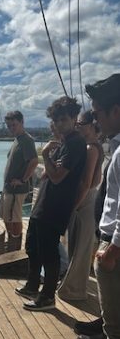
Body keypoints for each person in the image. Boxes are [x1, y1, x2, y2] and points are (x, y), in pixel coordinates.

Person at [68, 73, 120, 339]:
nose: (96, 120)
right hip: (113, 243)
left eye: (98, 112)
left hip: (115, 249)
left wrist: (113, 248)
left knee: (115, 327)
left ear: (116, 110)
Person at [16, 96, 86, 311]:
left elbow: (56, 177)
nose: (59, 124)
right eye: (56, 120)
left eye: (64, 119)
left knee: (49, 252)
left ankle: (47, 297)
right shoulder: (64, 143)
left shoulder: (75, 144)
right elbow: (49, 174)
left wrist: (45, 154)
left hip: (55, 208)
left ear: (74, 118)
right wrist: (50, 158)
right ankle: (32, 285)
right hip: (44, 204)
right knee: (33, 246)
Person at [57, 111, 104, 301]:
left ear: (92, 126)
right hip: (84, 200)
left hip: (85, 201)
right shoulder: (88, 146)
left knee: (81, 250)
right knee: (75, 246)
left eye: (81, 124)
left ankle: (75, 290)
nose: (77, 127)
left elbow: (87, 182)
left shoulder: (91, 148)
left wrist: (73, 206)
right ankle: (72, 287)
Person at [0, 111, 38, 247]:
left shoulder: (26, 140)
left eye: (14, 125)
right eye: (9, 126)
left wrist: (22, 180)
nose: (11, 128)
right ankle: (11, 241)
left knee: (14, 218)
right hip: (9, 188)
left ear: (22, 122)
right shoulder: (18, 139)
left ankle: (15, 245)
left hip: (17, 189)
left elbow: (34, 161)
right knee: (7, 217)